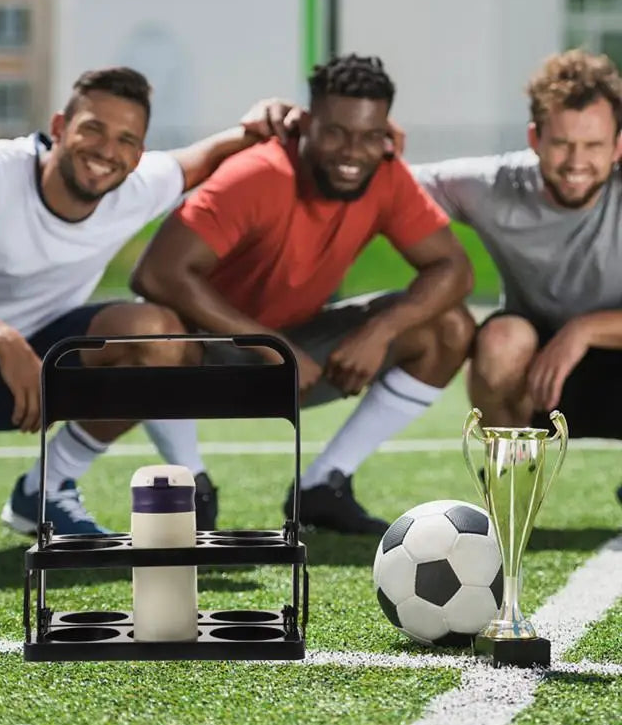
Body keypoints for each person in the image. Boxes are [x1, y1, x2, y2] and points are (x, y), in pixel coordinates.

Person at [0, 65, 299, 564]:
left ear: (140, 152)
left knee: (160, 335)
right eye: (93, 128)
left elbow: (208, 156)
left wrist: (256, 121)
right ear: (59, 127)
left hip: (42, 369)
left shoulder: (141, 184)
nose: (108, 151)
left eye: (128, 139)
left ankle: (47, 488)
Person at [131, 53, 476, 536]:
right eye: (336, 132)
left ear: (386, 133)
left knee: (448, 326)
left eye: (369, 136)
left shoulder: (386, 173)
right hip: (207, 351)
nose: (352, 152)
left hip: (303, 353)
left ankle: (322, 488)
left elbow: (454, 269)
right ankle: (193, 492)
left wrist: (380, 331)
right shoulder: (260, 171)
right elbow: (156, 274)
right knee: (148, 329)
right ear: (307, 122)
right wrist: (272, 345)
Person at [410, 49, 622, 502]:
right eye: (562, 143)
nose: (576, 161)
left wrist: (584, 330)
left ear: (618, 146)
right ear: (535, 138)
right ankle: (512, 496)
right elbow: (382, 186)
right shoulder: (493, 185)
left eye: (594, 145)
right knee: (501, 341)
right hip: (538, 376)